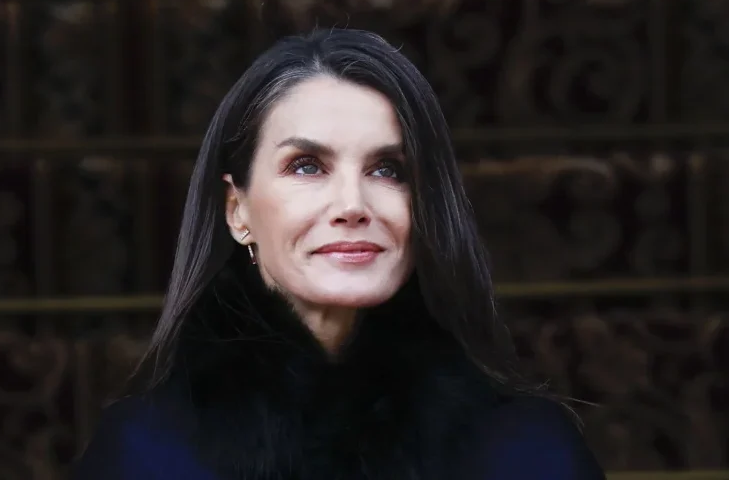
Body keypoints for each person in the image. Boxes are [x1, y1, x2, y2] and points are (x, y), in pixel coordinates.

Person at [74, 28, 606, 479]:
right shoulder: (142, 452)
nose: (352, 205)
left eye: (388, 170)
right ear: (237, 211)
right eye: (307, 166)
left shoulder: (531, 448)